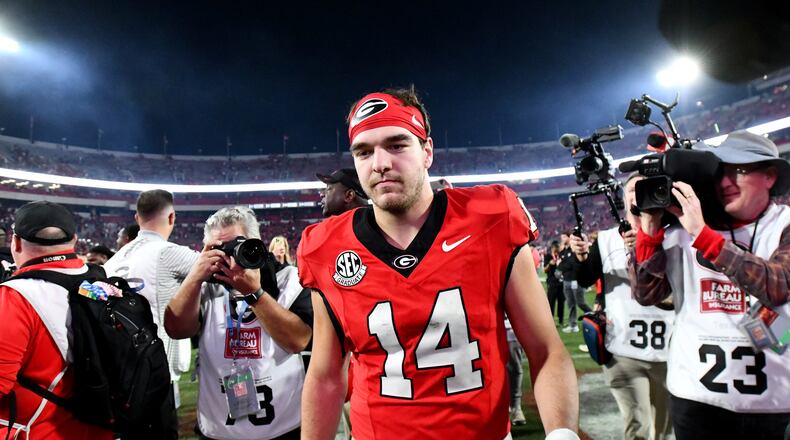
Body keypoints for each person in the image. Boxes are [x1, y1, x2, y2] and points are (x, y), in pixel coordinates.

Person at [298, 87, 579, 440]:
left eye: (397, 145)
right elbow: (324, 375)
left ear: (427, 151)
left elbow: (546, 350)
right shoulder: (325, 247)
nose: (380, 163)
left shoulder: (491, 217)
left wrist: (562, 434)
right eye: (364, 151)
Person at [631, 131, 790, 439]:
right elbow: (646, 294)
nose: (725, 183)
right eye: (720, 173)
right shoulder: (681, 228)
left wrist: (704, 236)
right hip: (695, 398)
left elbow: (779, 285)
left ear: (770, 176)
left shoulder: (784, 224)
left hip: (774, 402)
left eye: (738, 171)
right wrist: (649, 232)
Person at [164, 206, 313, 440]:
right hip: (218, 431)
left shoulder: (290, 279)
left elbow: (298, 340)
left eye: (236, 246)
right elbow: (177, 329)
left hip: (284, 429)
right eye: (218, 249)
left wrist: (254, 293)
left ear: (255, 243)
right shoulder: (203, 286)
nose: (228, 257)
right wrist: (194, 277)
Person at [570, 175, 674, 440]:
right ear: (623, 196)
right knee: (636, 427)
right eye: (631, 188)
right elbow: (583, 278)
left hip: (671, 352)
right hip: (623, 351)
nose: (636, 193)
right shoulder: (605, 239)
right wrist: (580, 256)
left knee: (665, 430)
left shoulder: (675, 235)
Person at [0, 201, 113, 439]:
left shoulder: (14, 297)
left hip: (38, 431)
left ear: (16, 242)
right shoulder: (105, 284)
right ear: (74, 240)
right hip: (102, 428)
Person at [103, 189, 198, 416]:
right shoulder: (169, 253)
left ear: (137, 218)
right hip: (155, 369)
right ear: (172, 217)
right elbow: (220, 269)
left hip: (117, 366)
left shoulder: (114, 260)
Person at [558, 231, 591, 332]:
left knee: (580, 302)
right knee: (570, 303)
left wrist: (562, 267)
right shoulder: (565, 250)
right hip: (566, 280)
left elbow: (571, 264)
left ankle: (594, 315)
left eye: (564, 237)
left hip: (575, 280)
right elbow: (562, 262)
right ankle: (573, 325)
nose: (562, 239)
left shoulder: (574, 250)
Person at [543, 240, 565, 327]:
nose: (556, 252)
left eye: (557, 250)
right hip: (552, 283)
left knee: (561, 302)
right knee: (551, 302)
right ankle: (550, 321)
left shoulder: (561, 256)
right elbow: (545, 270)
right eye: (555, 250)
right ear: (552, 249)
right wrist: (550, 264)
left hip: (561, 282)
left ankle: (561, 320)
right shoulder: (548, 257)